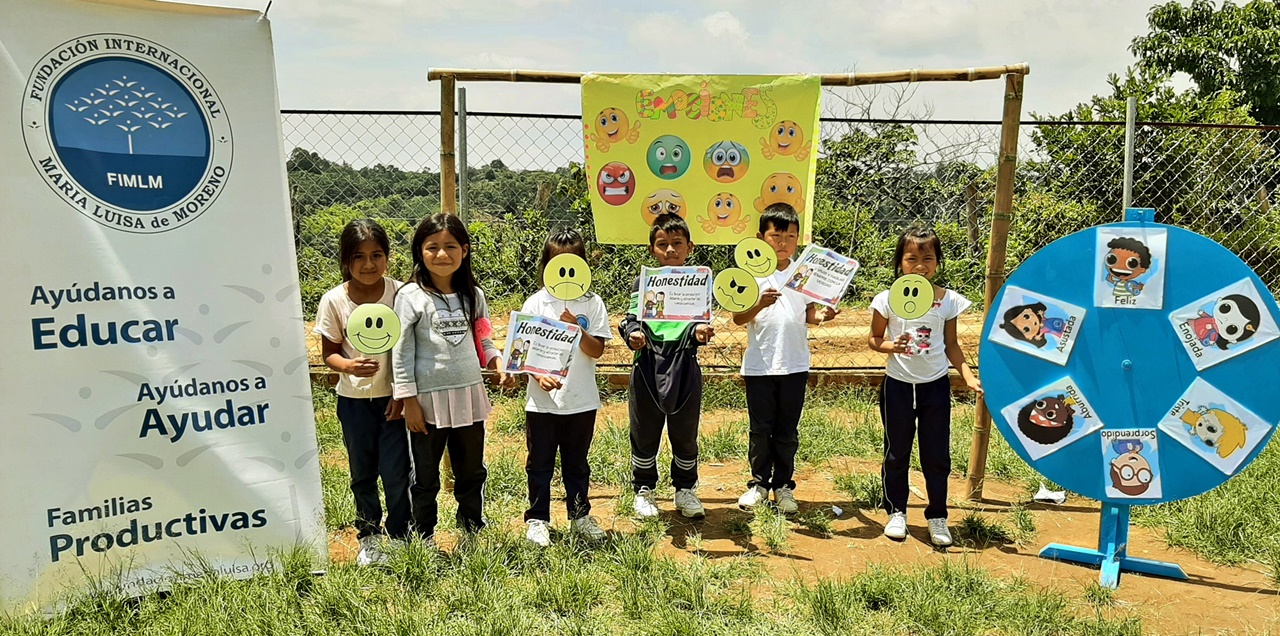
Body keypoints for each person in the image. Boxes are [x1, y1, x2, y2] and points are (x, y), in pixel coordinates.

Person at [391, 213, 506, 543]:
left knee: (471, 471)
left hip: (468, 395)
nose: (442, 254)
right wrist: (408, 400)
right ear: (420, 252)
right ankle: (422, 536)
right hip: (427, 401)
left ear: (465, 250)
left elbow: (483, 339)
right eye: (432, 247)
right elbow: (401, 351)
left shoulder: (475, 296)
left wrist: (496, 362)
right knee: (425, 476)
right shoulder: (410, 297)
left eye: (451, 246)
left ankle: (471, 529)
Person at [868, 226, 982, 547]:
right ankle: (897, 512)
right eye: (912, 258)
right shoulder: (885, 300)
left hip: (934, 388)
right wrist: (893, 347)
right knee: (896, 453)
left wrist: (968, 375)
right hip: (898, 387)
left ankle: (937, 517)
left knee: (936, 455)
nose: (920, 265)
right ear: (899, 263)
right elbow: (874, 339)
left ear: (937, 262)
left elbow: (952, 345)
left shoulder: (948, 301)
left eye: (928, 258)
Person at [313, 218, 408, 565]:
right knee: (362, 471)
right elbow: (329, 353)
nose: (368, 265)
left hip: (394, 400)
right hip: (353, 402)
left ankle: (400, 533)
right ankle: (370, 537)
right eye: (358, 257)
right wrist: (349, 367)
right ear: (345, 261)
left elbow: (410, 347)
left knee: (397, 471)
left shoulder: (400, 294)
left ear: (387, 258)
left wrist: (401, 393)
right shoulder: (334, 300)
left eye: (376, 255)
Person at [732, 203, 837, 514]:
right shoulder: (750, 274)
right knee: (761, 428)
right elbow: (739, 318)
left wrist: (823, 316)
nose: (782, 242)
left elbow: (808, 312)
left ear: (798, 240)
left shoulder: (804, 273)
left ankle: (784, 486)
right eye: (775, 235)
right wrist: (759, 304)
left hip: (794, 364)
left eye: (790, 236)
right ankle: (759, 485)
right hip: (760, 366)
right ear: (760, 237)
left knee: (787, 429)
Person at [520, 228, 612, 547]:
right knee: (539, 463)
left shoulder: (593, 303)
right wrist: (537, 375)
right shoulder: (535, 303)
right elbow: (521, 352)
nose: (566, 271)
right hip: (542, 403)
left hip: (581, 400)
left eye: (573, 262)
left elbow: (597, 350)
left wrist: (576, 327)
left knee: (577, 463)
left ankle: (579, 516)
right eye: (557, 263)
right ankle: (538, 519)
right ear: (546, 265)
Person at [619, 213, 714, 519]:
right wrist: (633, 334)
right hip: (647, 363)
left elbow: (700, 323)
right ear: (652, 250)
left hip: (684, 362)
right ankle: (644, 489)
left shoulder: (698, 283)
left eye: (677, 243)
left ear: (690, 247)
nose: (670, 250)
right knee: (644, 430)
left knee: (685, 432)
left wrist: (699, 333)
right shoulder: (644, 283)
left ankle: (685, 489)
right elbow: (632, 319)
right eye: (663, 245)